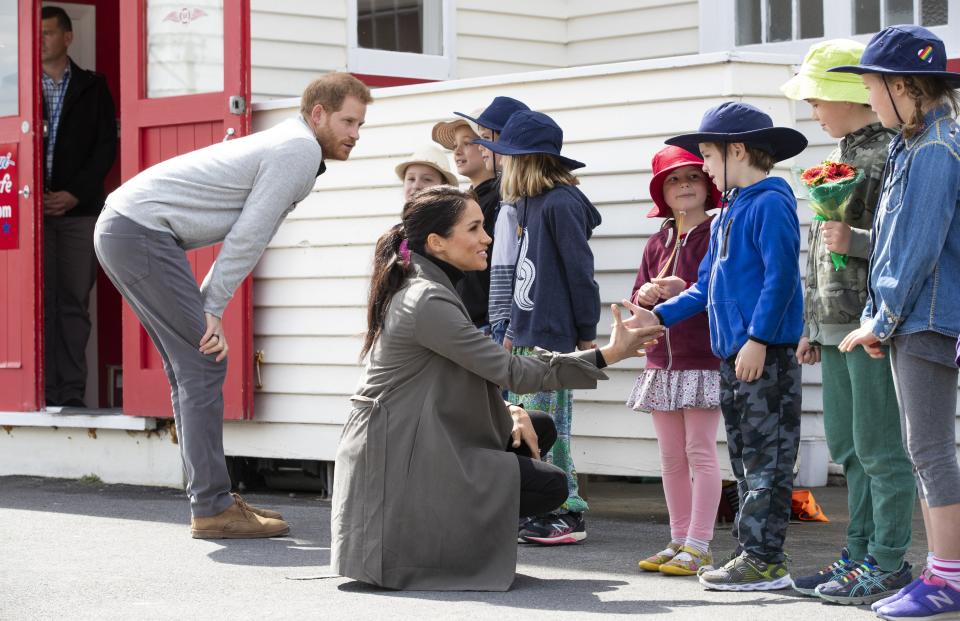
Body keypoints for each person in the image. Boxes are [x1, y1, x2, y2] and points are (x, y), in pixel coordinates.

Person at [330, 186, 663, 591]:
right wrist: (609, 354)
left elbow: (463, 373)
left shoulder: (424, 284)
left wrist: (509, 411)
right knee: (549, 484)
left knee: (536, 425)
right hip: (401, 458)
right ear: (437, 243)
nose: (487, 238)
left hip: (411, 438)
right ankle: (435, 549)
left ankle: (451, 540)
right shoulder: (426, 299)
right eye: (474, 228)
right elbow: (511, 370)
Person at [94, 73, 372, 539]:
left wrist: (208, 303)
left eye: (361, 125)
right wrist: (212, 306)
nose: (355, 135)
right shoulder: (298, 149)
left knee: (189, 366)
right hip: (139, 231)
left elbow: (249, 231)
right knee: (203, 363)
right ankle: (212, 507)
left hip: (125, 228)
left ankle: (212, 501)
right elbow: (251, 234)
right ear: (317, 114)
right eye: (348, 121)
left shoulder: (291, 145)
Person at [626, 101, 808, 591]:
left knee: (767, 459)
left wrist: (758, 339)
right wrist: (657, 316)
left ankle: (766, 561)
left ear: (738, 150)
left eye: (707, 154)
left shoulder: (771, 202)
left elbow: (781, 278)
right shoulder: (732, 213)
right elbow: (704, 286)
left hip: (761, 354)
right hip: (733, 356)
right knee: (746, 461)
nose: (703, 167)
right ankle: (752, 553)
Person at [780, 39, 916, 605]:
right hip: (835, 324)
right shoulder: (842, 154)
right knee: (848, 446)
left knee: (880, 446)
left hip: (872, 321)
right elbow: (819, 253)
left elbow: (911, 241)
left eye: (818, 97)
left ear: (848, 96)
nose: (813, 107)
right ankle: (858, 553)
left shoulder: (892, 152)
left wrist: (855, 239)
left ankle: (888, 559)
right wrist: (812, 325)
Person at [831, 25, 960, 620]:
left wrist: (882, 320)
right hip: (916, 316)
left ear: (903, 85)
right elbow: (888, 243)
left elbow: (917, 247)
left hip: (929, 317)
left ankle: (947, 579)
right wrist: (876, 316)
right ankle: (942, 572)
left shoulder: (936, 149)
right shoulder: (914, 145)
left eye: (872, 87)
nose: (869, 98)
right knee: (925, 447)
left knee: (929, 449)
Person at [475, 110, 601, 545]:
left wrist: (586, 331)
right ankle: (538, 505)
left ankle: (566, 511)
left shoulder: (562, 204)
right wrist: (510, 326)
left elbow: (579, 273)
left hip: (554, 337)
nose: (503, 163)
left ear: (527, 160)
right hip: (526, 334)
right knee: (526, 423)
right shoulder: (527, 204)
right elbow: (520, 274)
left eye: (508, 157)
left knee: (551, 427)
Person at [630, 146, 723, 577]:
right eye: (673, 180)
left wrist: (682, 287)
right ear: (661, 193)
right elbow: (636, 302)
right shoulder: (657, 241)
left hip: (700, 357)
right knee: (670, 457)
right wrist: (645, 296)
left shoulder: (719, 233)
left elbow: (720, 293)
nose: (684, 185)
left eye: (692, 177)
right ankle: (679, 538)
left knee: (699, 451)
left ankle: (700, 544)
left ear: (708, 185)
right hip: (659, 362)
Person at [40, 5, 117, 408]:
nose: (40, 41)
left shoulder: (92, 87)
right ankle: (37, 393)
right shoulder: (15, 86)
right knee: (36, 306)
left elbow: (106, 148)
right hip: (26, 214)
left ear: (68, 37)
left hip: (79, 212)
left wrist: (74, 193)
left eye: (48, 33)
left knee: (72, 304)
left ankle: (69, 395)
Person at [454, 96, 530, 345]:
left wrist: (504, 327)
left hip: (500, 325)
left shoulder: (513, 200)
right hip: (485, 321)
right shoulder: (495, 198)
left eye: (485, 139)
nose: (481, 146)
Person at [433, 110, 497, 329]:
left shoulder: (499, 200)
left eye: (467, 143)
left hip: (486, 322)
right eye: (454, 146)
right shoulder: (467, 201)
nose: (457, 151)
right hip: (464, 318)